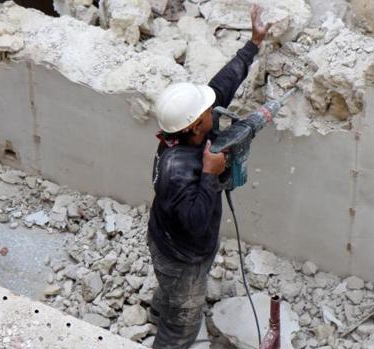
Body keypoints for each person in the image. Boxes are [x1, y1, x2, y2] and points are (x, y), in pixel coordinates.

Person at [147, 5, 272, 348]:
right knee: (183, 324)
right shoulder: (177, 170)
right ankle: (169, 331)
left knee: (171, 295)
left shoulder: (190, 130)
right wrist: (209, 174)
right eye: (206, 111)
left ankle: (160, 311)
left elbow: (222, 85)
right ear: (193, 125)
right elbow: (196, 222)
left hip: (170, 242)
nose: (212, 108)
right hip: (182, 256)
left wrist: (253, 45)